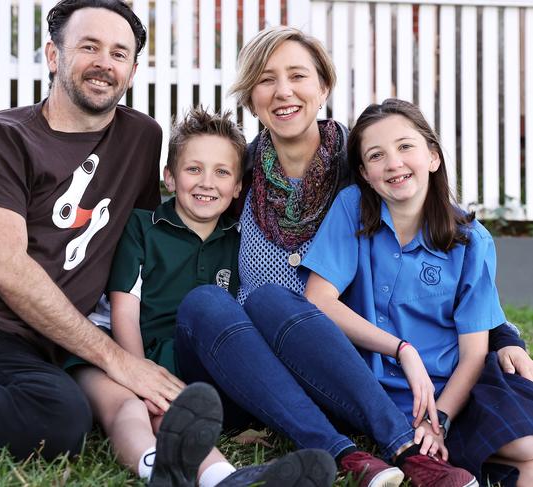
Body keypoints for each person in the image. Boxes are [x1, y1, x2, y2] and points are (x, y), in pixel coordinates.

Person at [174, 26, 531, 487]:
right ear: (251, 96)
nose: (283, 91)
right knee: (238, 299)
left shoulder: (358, 161)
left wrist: (505, 337)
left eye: (298, 76)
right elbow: (185, 210)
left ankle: (395, 447)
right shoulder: (236, 169)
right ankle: (355, 452)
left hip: (340, 367)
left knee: (275, 298)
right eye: (266, 79)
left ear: (323, 87)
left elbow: (452, 251)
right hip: (260, 357)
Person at [0, 0, 185, 460]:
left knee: (61, 420)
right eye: (90, 46)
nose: (105, 62)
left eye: (120, 53)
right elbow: (5, 269)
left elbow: (138, 244)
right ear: (53, 55)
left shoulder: (142, 139)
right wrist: (120, 362)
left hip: (22, 339)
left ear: (133, 68)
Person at [67, 106, 337, 487]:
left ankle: (225, 478)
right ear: (170, 178)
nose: (206, 182)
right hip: (119, 352)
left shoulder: (238, 240)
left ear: (238, 187)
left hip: (185, 364)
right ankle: (152, 468)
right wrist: (138, 373)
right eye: (194, 169)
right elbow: (125, 310)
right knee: (131, 406)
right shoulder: (144, 227)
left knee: (182, 417)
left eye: (222, 172)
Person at [301, 98, 533, 486]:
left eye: (405, 146)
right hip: (372, 388)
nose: (393, 162)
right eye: (377, 155)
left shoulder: (471, 240)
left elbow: (474, 352)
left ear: (433, 157)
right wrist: (399, 348)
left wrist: (439, 417)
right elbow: (318, 299)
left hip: (452, 389)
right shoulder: (352, 207)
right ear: (365, 173)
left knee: (528, 449)